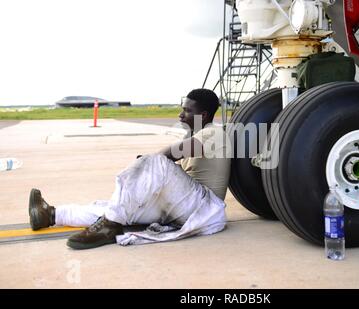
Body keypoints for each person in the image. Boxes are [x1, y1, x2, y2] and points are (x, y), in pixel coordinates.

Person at [28, 89, 231, 249]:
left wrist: (148, 163)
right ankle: (51, 214)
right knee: (119, 208)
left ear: (203, 115)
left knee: (157, 162)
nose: (180, 114)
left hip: (206, 207)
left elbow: (175, 153)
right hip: (184, 207)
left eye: (187, 110)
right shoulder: (194, 135)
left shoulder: (214, 133)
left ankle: (109, 227)